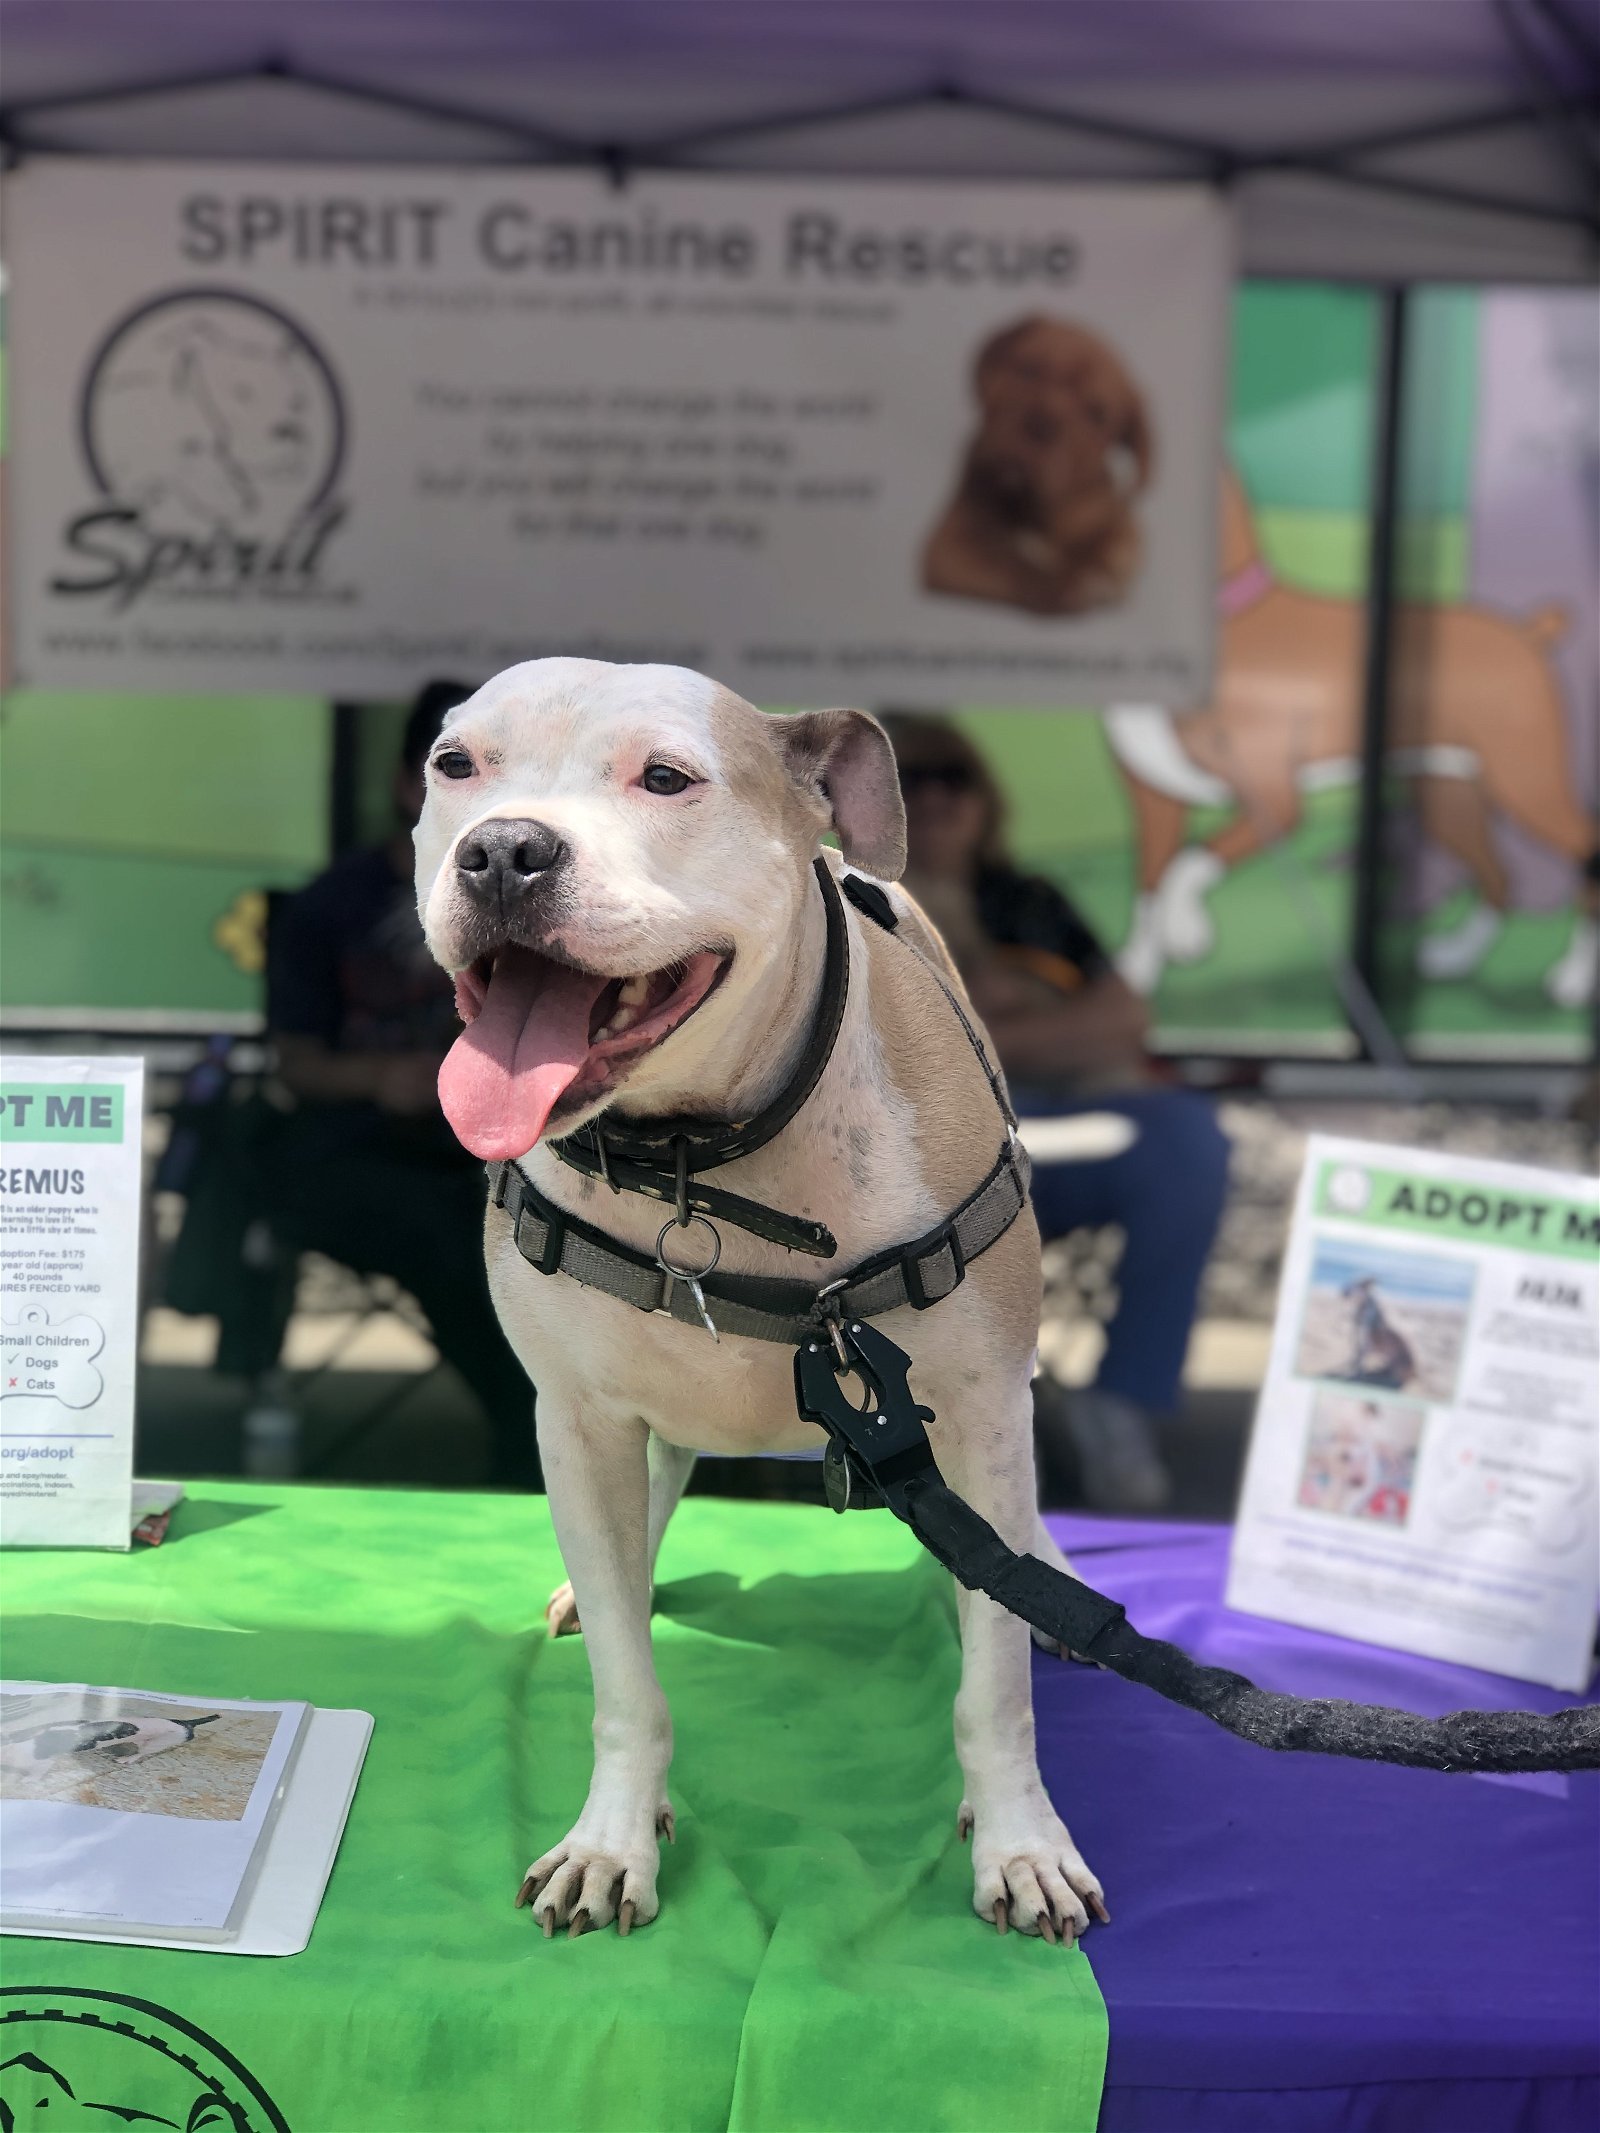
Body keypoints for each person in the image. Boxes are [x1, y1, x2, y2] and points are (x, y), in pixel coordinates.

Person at [879, 711, 1230, 1511]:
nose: (934, 799)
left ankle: (1123, 1403)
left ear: (985, 799)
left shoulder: (1026, 898)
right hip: (908, 1165)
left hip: (1050, 1143)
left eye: (953, 779)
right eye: (911, 780)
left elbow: (1124, 1019)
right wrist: (1033, 1028)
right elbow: (901, 1049)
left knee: (1186, 1140)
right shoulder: (847, 901)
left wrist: (996, 1026)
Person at [267, 680, 541, 1488]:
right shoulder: (330, 905)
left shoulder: (540, 893)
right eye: (450, 771)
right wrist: (384, 1077)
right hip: (367, 1149)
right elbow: (294, 1062)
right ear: (402, 782)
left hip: (503, 1155)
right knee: (461, 1246)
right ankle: (527, 1449)